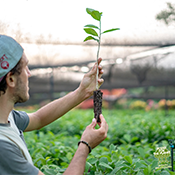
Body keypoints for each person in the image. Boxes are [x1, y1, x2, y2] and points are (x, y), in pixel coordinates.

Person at [0, 34, 108, 175]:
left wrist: (82, 91)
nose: (29, 73)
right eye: (26, 67)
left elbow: (38, 118)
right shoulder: (2, 148)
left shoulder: (8, 118)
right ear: (11, 79)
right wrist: (85, 145)